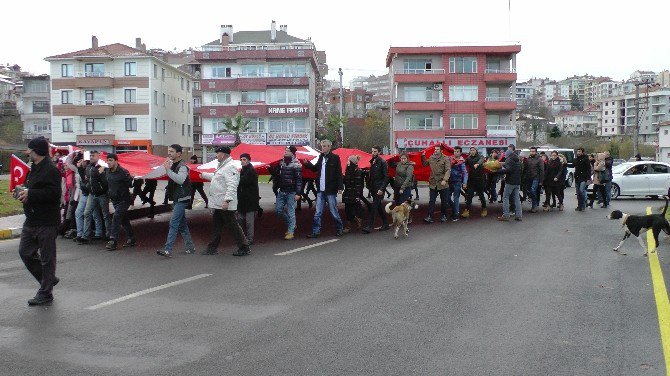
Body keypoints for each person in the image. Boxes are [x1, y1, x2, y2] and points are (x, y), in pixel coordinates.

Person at [17, 137, 62, 306]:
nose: (27, 152)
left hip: (47, 221)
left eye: (30, 149)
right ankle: (48, 279)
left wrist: (31, 194)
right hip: (32, 219)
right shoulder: (33, 169)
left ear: (38, 151)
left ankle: (46, 293)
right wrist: (22, 192)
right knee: (25, 252)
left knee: (47, 259)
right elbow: (31, 188)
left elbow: (54, 194)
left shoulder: (51, 170)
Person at [200, 146, 251, 256]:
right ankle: (212, 248)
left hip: (224, 203)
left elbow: (232, 185)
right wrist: (203, 175)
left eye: (217, 153)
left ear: (222, 154)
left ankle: (244, 247)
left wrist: (227, 200)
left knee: (233, 226)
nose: (216, 155)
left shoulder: (230, 167)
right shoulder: (223, 166)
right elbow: (217, 178)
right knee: (216, 226)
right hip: (219, 203)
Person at [157, 144, 196, 258]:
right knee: (182, 225)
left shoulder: (182, 166)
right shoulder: (173, 164)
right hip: (177, 197)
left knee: (173, 223)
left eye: (172, 151)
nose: (169, 153)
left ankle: (167, 250)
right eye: (169, 151)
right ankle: (190, 247)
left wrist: (168, 170)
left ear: (178, 154)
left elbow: (180, 180)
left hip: (182, 198)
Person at [303, 139, 345, 238]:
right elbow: (315, 168)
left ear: (329, 147)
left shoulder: (335, 158)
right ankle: (316, 231)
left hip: (330, 189)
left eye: (325, 146)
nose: (323, 148)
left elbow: (338, 173)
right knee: (318, 212)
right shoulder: (321, 157)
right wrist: (307, 164)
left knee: (333, 211)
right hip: (320, 190)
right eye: (322, 146)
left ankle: (340, 228)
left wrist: (340, 187)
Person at [78, 151, 112, 244]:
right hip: (92, 194)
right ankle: (86, 236)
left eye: (93, 155)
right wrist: (87, 186)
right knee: (87, 213)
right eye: (91, 155)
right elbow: (85, 178)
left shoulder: (103, 166)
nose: (91, 157)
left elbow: (106, 182)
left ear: (98, 156)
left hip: (102, 194)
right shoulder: (89, 166)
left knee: (105, 215)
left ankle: (109, 235)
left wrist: (101, 173)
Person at [102, 154, 135, 250]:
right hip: (115, 200)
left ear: (116, 161)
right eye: (107, 160)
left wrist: (131, 178)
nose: (108, 162)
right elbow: (107, 184)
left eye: (111, 160)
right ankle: (132, 238)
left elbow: (130, 184)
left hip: (124, 200)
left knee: (116, 217)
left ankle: (113, 240)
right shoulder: (107, 171)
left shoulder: (123, 172)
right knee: (124, 220)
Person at [275, 146, 302, 240]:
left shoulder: (296, 164)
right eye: (285, 150)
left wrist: (298, 193)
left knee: (291, 212)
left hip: (291, 192)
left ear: (292, 153)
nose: (285, 152)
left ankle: (291, 232)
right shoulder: (281, 162)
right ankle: (292, 224)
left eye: (287, 151)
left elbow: (299, 180)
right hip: (282, 191)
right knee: (278, 210)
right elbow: (277, 174)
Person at [362, 145, 390, 233]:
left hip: (379, 189)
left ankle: (369, 226)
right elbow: (372, 174)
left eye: (375, 151)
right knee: (378, 207)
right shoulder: (372, 162)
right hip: (373, 188)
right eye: (372, 151)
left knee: (374, 207)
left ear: (379, 152)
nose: (373, 153)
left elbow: (386, 177)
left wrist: (382, 189)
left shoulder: (382, 162)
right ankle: (385, 223)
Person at [421, 145, 451, 223]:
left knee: (444, 201)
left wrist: (445, 179)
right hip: (433, 183)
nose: (435, 150)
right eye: (435, 149)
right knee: (432, 201)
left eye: (437, 149)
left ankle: (444, 215)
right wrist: (423, 156)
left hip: (443, 183)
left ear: (441, 151)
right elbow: (425, 164)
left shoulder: (445, 159)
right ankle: (430, 216)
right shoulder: (431, 158)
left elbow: (448, 170)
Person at [237, 153, 260, 245]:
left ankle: (249, 239)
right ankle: (242, 237)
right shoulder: (243, 170)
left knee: (249, 222)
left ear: (249, 160)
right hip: (242, 200)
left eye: (244, 159)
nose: (242, 161)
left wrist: (235, 175)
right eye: (241, 159)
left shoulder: (251, 171)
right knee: (240, 219)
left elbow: (243, 181)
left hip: (250, 200)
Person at [497, 145, 523, 222]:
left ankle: (506, 215)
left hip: (510, 182)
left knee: (505, 197)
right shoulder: (517, 159)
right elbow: (512, 166)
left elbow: (508, 169)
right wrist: (502, 164)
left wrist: (497, 171)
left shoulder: (509, 159)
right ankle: (519, 215)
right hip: (517, 181)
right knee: (517, 199)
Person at [342, 155, 365, 233]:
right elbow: (345, 180)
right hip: (347, 193)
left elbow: (358, 184)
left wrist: (357, 195)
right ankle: (355, 221)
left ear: (352, 161)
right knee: (347, 210)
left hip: (353, 193)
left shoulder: (357, 170)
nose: (347, 162)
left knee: (352, 209)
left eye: (348, 160)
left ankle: (350, 226)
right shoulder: (348, 169)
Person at [463, 147, 487, 218]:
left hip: (480, 180)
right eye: (471, 150)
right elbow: (463, 163)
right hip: (471, 180)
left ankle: (484, 208)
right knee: (469, 195)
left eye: (473, 150)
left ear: (476, 151)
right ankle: (466, 210)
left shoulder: (480, 156)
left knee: (481, 195)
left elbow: (482, 160)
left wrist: (478, 164)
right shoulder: (468, 158)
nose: (472, 151)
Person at [446, 146, 468, 222]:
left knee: (456, 198)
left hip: (457, 182)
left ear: (460, 152)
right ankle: (454, 208)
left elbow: (465, 173)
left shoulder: (462, 161)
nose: (456, 152)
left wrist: (464, 183)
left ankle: (456, 214)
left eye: (457, 151)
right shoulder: (449, 158)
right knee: (447, 197)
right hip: (449, 181)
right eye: (455, 151)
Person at [526, 147, 544, 213]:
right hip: (529, 178)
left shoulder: (539, 159)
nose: (532, 152)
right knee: (530, 191)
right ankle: (534, 204)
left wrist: (541, 181)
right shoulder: (528, 159)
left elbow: (542, 171)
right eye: (531, 151)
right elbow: (526, 168)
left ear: (536, 152)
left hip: (536, 178)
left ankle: (534, 206)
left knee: (533, 190)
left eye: (533, 151)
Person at [574, 148, 591, 212]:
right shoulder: (576, 159)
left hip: (583, 178)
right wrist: (565, 164)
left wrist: (588, 178)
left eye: (579, 151)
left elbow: (588, 169)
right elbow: (573, 165)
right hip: (577, 178)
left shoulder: (586, 159)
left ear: (582, 152)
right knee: (578, 193)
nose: (578, 152)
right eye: (577, 151)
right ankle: (579, 206)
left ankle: (583, 204)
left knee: (581, 191)